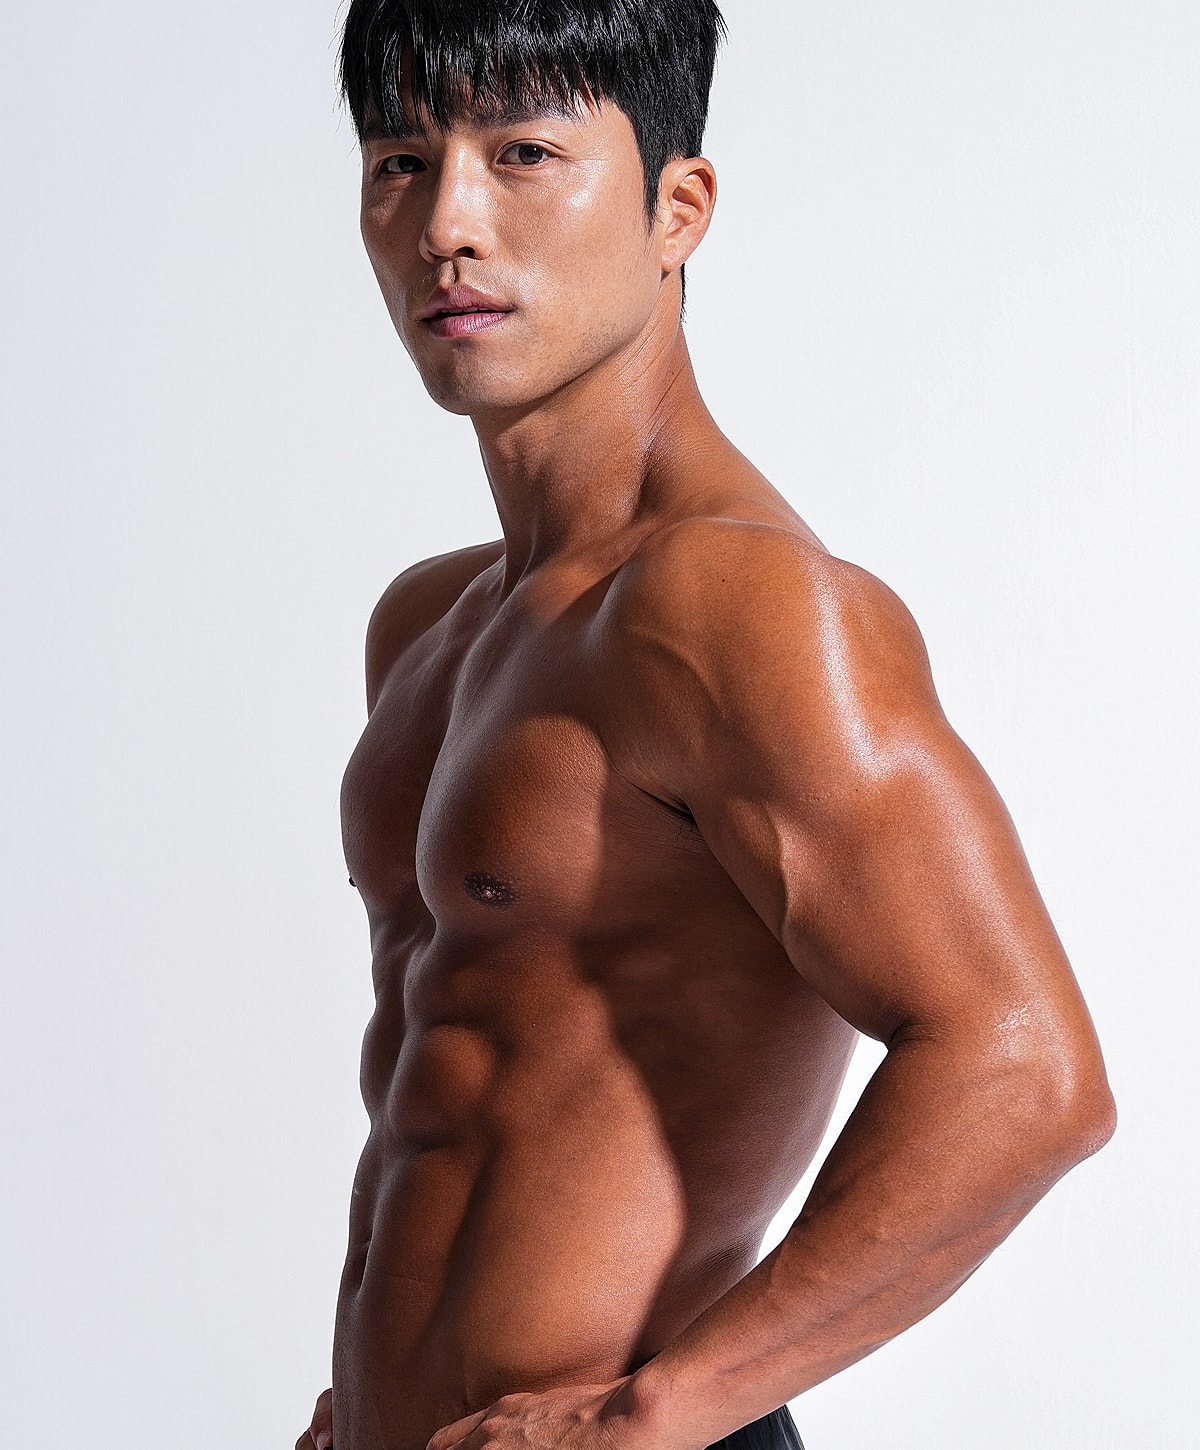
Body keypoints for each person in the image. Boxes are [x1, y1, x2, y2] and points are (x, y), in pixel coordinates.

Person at [298, 2, 1116, 1447]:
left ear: (679, 207)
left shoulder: (733, 602)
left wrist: (656, 1411)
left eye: (525, 153)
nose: (447, 224)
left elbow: (1025, 1066)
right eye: (401, 164)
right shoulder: (426, 628)